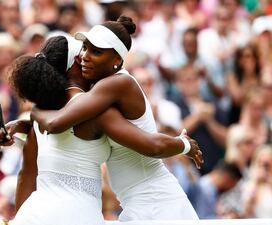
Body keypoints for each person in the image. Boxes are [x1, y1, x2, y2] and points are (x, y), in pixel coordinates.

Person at [31, 16, 199, 220]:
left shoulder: (116, 84)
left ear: (117, 60)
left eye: (97, 51)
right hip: (142, 204)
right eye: (85, 48)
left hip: (156, 204)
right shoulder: (99, 89)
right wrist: (24, 125)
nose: (85, 56)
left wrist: (33, 112)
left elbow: (55, 122)